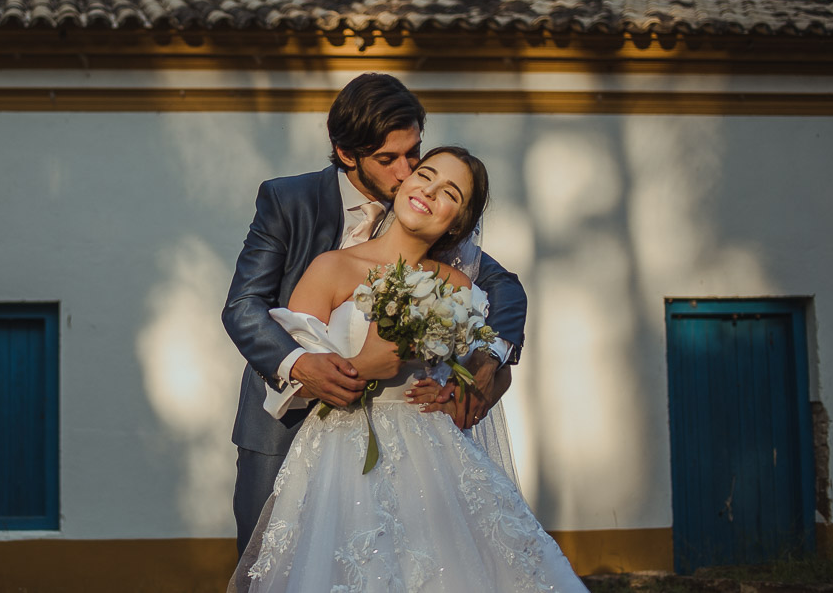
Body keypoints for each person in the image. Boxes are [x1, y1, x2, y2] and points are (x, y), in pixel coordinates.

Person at [231, 147, 586, 592]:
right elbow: (296, 385)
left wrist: (463, 391)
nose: (429, 191)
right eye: (426, 175)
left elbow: (494, 375)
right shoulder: (332, 268)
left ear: (459, 221)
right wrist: (365, 365)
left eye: (450, 193)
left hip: (434, 462)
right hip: (340, 458)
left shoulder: (460, 286)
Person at [222, 73, 529, 556]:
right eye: (389, 159)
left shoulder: (422, 212)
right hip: (283, 422)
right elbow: (243, 306)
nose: (408, 171)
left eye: (415, 153)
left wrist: (487, 362)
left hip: (398, 442)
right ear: (347, 154)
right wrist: (301, 365)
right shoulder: (288, 201)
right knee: (271, 566)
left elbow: (505, 288)